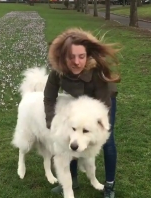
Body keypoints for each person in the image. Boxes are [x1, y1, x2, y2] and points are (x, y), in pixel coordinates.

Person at [43, 27, 121, 198]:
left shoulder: (97, 72)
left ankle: (109, 184)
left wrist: (97, 129)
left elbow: (103, 107)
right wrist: (52, 121)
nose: (77, 62)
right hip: (78, 99)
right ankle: (73, 180)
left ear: (88, 56)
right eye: (71, 57)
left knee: (107, 141)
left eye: (81, 56)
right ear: (63, 57)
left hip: (102, 102)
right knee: (70, 136)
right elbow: (49, 97)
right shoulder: (58, 71)